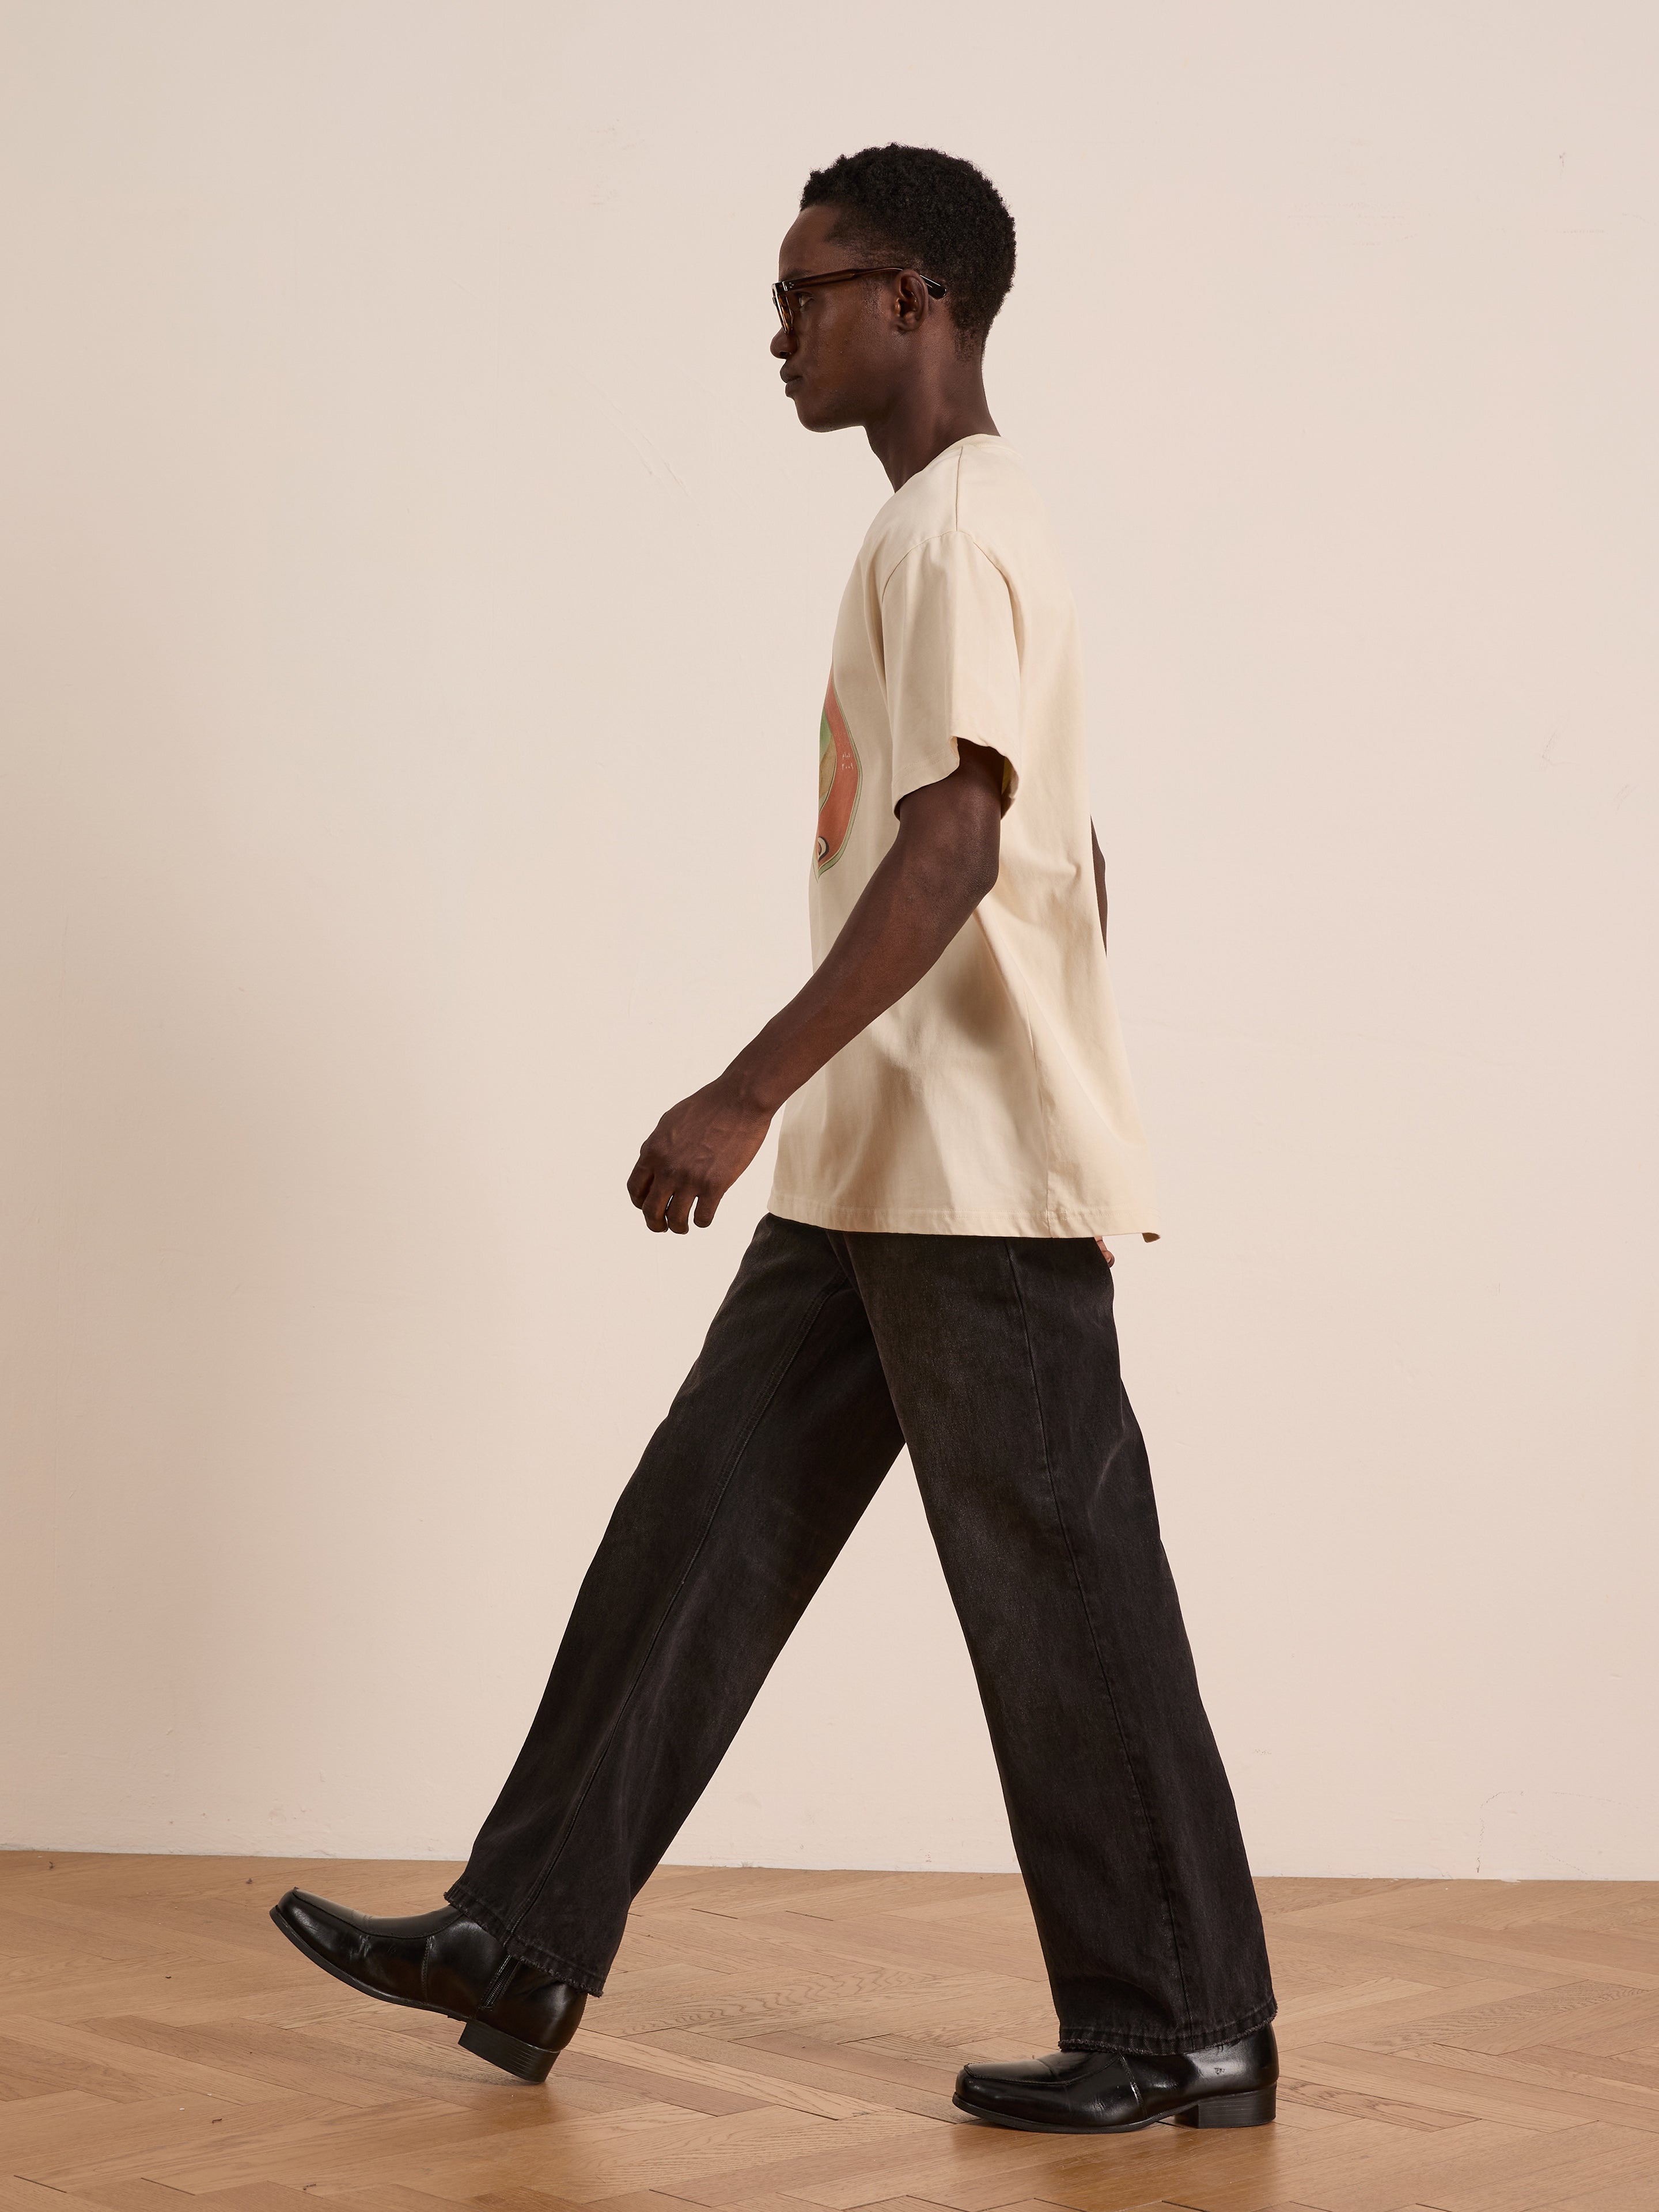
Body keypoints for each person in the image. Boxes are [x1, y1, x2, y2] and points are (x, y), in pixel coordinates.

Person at [272, 143, 1277, 2136]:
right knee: (699, 1529)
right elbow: (1069, 845)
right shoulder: (937, 534)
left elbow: (964, 839)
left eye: (811, 292)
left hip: (966, 1189)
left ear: (920, 301)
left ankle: (1182, 2031)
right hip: (883, 1173)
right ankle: (522, 1928)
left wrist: (745, 1087)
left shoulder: (959, 529)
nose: (779, 331)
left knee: (1064, 1594)